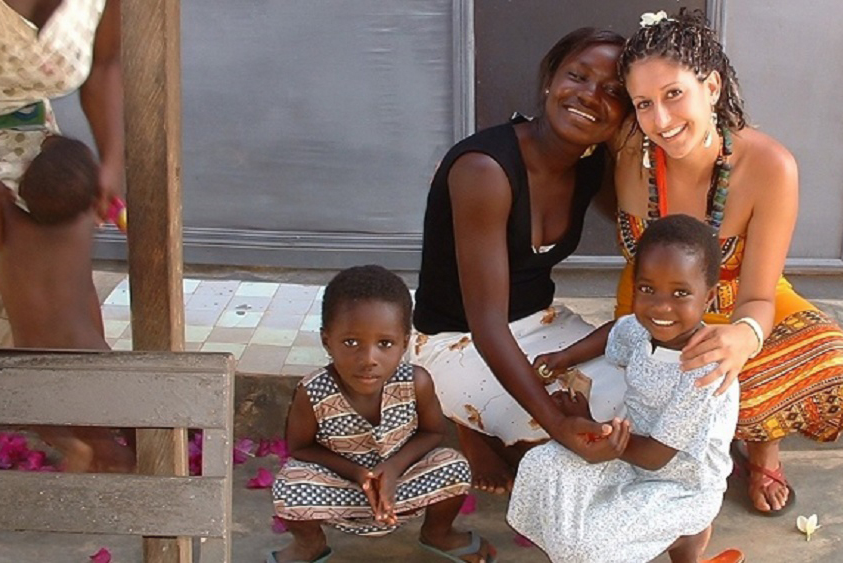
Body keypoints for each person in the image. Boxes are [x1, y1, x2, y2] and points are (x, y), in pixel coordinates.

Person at [614, 9, 843, 516]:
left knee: (832, 367)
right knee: (655, 388)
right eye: (644, 103)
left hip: (742, 302)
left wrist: (743, 338)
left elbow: (760, 292)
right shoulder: (624, 148)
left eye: (674, 94)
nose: (660, 120)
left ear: (710, 86)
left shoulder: (770, 166)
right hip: (654, 313)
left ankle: (762, 443)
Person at [409, 28, 632, 494]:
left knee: (632, 414)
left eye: (614, 91)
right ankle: (475, 431)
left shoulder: (591, 161)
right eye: (578, 76)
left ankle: (497, 430)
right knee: (562, 457)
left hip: (544, 324)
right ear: (550, 80)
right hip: (457, 337)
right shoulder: (485, 170)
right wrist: (555, 423)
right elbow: (486, 322)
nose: (591, 96)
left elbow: (634, 224)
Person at [509, 215, 744, 563]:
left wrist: (603, 435)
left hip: (680, 486)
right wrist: (565, 356)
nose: (661, 307)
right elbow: (615, 332)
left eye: (680, 293)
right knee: (542, 466)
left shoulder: (703, 368)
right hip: (631, 457)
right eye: (648, 289)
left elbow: (656, 457)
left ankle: (685, 538)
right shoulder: (640, 329)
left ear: (708, 298)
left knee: (587, 548)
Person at [270, 265, 493, 563]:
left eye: (385, 344)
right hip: (343, 492)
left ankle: (437, 532)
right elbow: (300, 447)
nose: (368, 359)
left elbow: (433, 433)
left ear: (404, 343)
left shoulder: (417, 382)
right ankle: (309, 543)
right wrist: (359, 475)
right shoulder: (313, 391)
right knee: (288, 487)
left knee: (453, 465)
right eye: (351, 342)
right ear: (327, 341)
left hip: (401, 489)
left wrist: (394, 468)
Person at [0, 134, 134, 472]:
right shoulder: (82, 226)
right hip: (86, 350)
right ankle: (123, 453)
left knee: (40, 413)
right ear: (90, 200)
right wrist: (57, 146)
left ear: (24, 189)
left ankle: (73, 447)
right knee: (114, 417)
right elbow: (86, 177)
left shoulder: (6, 225)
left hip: (27, 357)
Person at [0, 0, 125, 346]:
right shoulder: (76, 221)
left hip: (27, 133)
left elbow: (105, 63)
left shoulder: (8, 219)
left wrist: (112, 160)